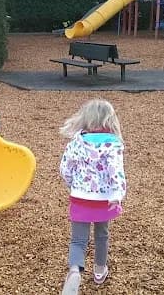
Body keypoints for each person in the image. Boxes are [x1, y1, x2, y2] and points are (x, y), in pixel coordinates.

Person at [59, 99, 127, 294]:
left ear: (86, 118)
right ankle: (99, 271)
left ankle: (74, 270)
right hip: (104, 200)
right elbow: (116, 171)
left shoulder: (77, 141)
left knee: (78, 240)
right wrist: (118, 194)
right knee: (101, 235)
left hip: (80, 197)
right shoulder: (112, 143)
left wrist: (72, 184)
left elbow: (65, 168)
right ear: (109, 119)